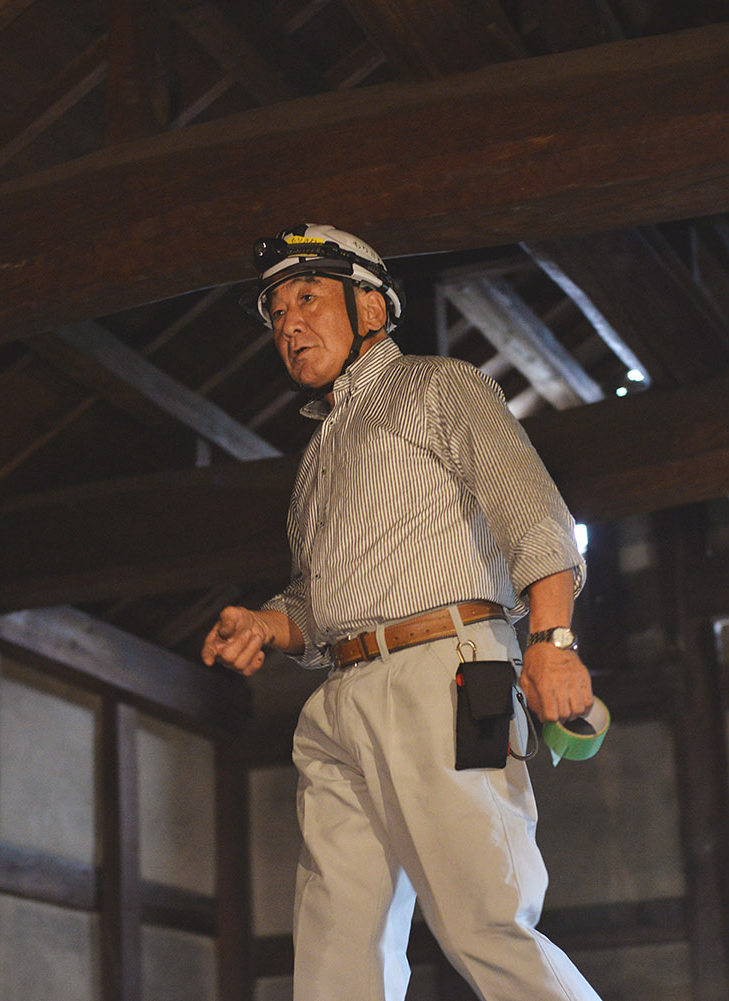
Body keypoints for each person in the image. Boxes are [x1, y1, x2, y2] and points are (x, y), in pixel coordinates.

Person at [202, 223, 601, 1001]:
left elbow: (534, 514)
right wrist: (265, 624)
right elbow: (316, 604)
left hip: (459, 674)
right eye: (275, 312)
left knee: (485, 918)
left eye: (307, 298)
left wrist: (553, 639)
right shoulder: (318, 459)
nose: (287, 324)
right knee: (336, 958)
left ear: (372, 309)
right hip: (340, 699)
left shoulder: (439, 386)